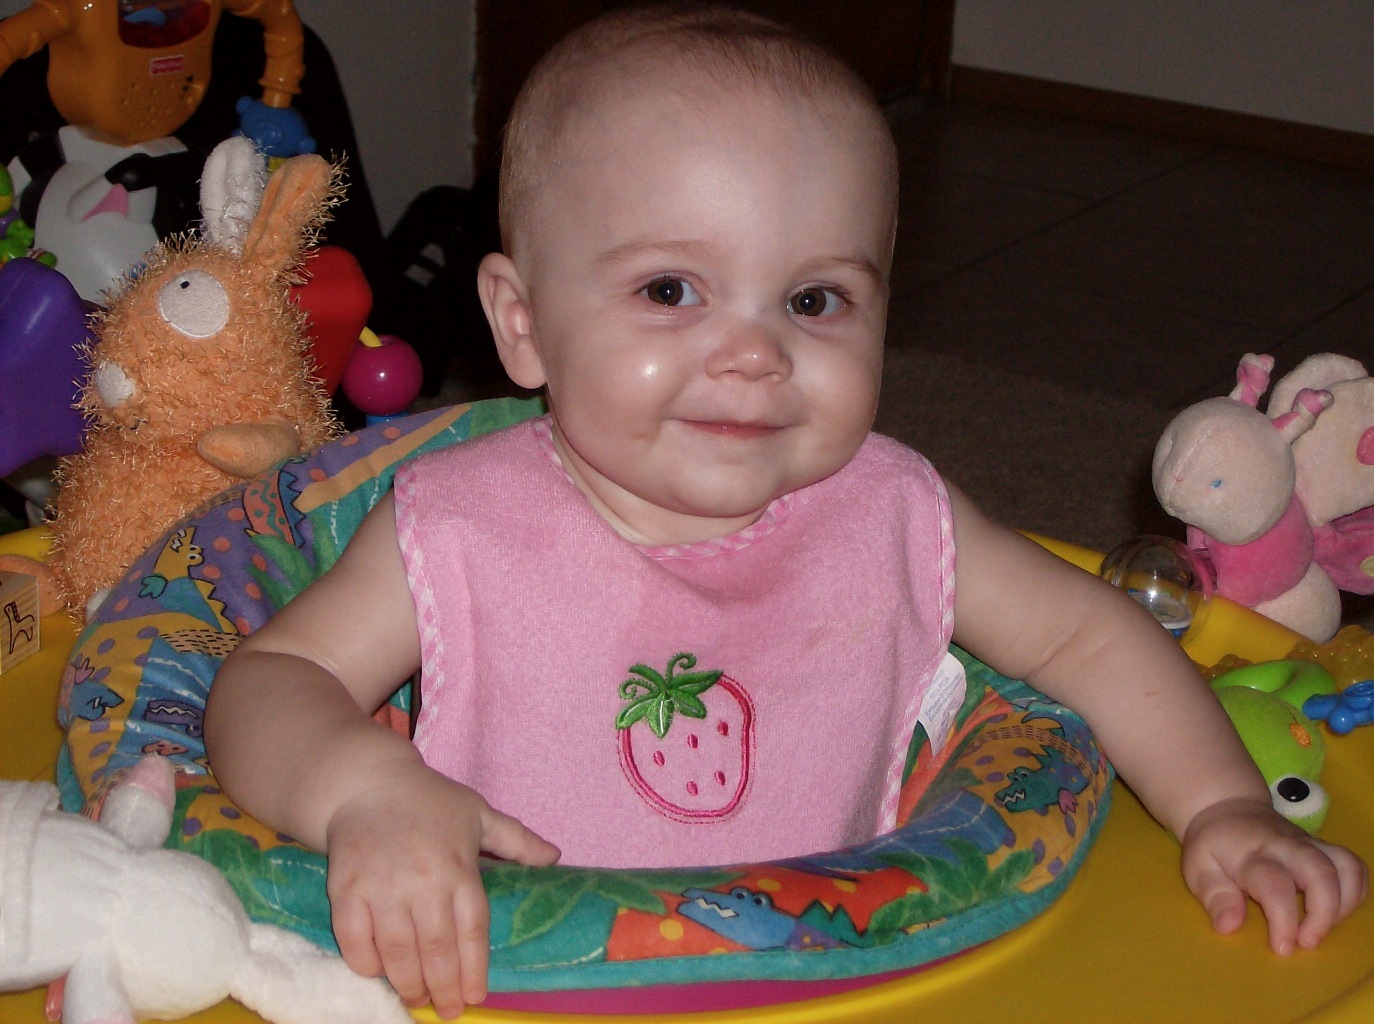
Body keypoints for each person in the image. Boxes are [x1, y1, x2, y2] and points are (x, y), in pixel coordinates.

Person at [203, 4, 1367, 1018]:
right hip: (503, 991)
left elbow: (1089, 636)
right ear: (522, 323)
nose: (755, 353)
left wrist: (1224, 806)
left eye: (815, 299)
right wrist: (365, 790)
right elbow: (269, 682)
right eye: (671, 290)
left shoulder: (895, 514)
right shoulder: (457, 528)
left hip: (848, 991)